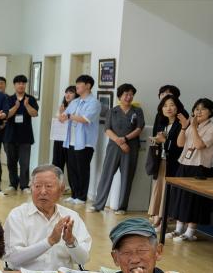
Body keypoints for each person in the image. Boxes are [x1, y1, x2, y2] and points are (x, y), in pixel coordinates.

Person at [3, 165, 91, 271]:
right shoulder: (17, 215)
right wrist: (49, 241)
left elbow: (83, 259)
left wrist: (71, 242)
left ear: (61, 190)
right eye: (37, 186)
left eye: (49, 186)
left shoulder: (71, 217)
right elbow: (13, 257)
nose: (43, 191)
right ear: (31, 188)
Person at [166, 98, 213, 242]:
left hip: (199, 166)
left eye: (203, 109)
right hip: (184, 163)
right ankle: (178, 229)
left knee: (193, 200)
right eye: (196, 109)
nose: (198, 112)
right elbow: (180, 143)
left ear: (211, 112)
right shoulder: (191, 125)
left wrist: (193, 127)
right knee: (180, 197)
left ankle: (190, 232)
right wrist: (184, 127)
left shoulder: (212, 128)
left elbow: (199, 145)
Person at [90, 83, 145, 215]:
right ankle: (98, 205)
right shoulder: (112, 111)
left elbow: (139, 128)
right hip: (114, 147)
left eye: (131, 94)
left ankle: (122, 207)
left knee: (127, 176)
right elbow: (107, 129)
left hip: (130, 147)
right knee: (106, 175)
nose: (129, 97)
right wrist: (120, 142)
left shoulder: (137, 111)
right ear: (120, 96)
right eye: (126, 94)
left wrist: (125, 139)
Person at [61, 74, 101, 205]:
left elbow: (85, 119)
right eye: (76, 83)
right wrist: (64, 115)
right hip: (71, 140)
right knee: (71, 168)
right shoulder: (75, 101)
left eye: (80, 83)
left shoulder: (93, 102)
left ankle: (82, 197)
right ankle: (74, 194)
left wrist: (68, 115)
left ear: (88, 85)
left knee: (82, 169)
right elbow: (65, 115)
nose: (77, 86)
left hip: (85, 142)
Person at [148, 94, 184, 229]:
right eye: (165, 105)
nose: (168, 108)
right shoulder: (164, 124)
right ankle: (158, 218)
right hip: (161, 161)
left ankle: (164, 221)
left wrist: (164, 141)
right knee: (159, 191)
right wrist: (157, 141)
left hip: (173, 164)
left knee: (167, 193)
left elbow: (179, 147)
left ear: (178, 107)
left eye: (172, 105)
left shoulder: (180, 125)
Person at [3, 75, 39, 192]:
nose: (21, 85)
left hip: (25, 136)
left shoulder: (31, 99)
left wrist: (27, 105)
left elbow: (34, 114)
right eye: (18, 83)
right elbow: (7, 115)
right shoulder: (8, 99)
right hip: (10, 135)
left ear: (25, 85)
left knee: (24, 163)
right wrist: (16, 107)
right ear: (14, 85)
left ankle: (24, 185)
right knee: (11, 162)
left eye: (23, 83)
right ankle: (13, 184)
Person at [52, 86, 77, 200]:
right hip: (59, 138)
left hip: (70, 140)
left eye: (71, 93)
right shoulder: (62, 106)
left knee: (71, 166)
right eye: (66, 92)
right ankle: (55, 188)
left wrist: (63, 115)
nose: (67, 95)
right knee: (57, 164)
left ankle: (73, 191)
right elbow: (59, 121)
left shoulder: (77, 107)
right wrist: (61, 113)